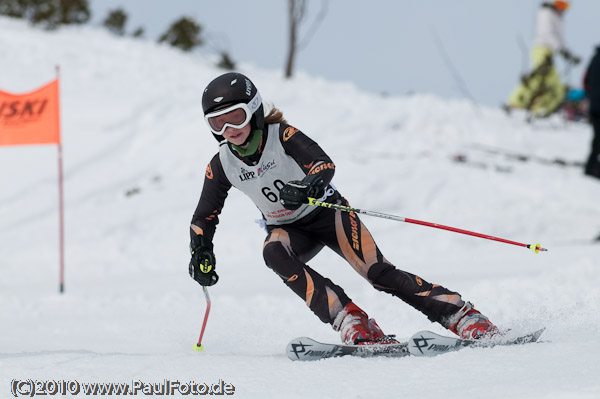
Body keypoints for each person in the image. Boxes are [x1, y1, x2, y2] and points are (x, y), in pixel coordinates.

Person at [188, 72, 499, 345]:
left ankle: (462, 315)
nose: (229, 128)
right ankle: (351, 319)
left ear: (254, 110)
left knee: (378, 274)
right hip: (290, 230)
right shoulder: (222, 164)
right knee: (273, 251)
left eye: (236, 117)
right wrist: (201, 249)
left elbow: (323, 164)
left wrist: (309, 186)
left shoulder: (281, 135)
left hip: (329, 215)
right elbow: (204, 216)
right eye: (218, 122)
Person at [506, 1, 580, 117]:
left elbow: (560, 39)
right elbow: (547, 34)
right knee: (539, 77)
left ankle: (539, 109)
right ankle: (516, 103)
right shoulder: (546, 13)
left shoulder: (558, 19)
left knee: (555, 85)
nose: (563, 9)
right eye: (561, 5)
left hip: (550, 52)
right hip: (541, 49)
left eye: (565, 6)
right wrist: (562, 51)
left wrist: (569, 54)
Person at [584, 46, 600, 178]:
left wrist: (590, 96)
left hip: (593, 104)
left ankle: (591, 165)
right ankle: (591, 167)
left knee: (597, 137)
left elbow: (585, 80)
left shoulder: (594, 58)